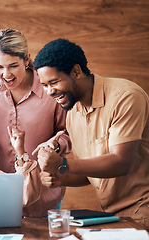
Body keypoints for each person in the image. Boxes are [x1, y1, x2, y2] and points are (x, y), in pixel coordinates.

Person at [33, 38, 149, 229]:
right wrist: (59, 178)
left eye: (54, 82)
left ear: (76, 71)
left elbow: (120, 163)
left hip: (142, 210)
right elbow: (90, 172)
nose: (49, 91)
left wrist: (63, 163)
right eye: (44, 85)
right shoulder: (73, 114)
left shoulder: (126, 97)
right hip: (107, 215)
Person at [0, 28, 71, 217]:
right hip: (2, 187)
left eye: (13, 66)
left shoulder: (49, 88)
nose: (6, 74)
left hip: (44, 189)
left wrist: (54, 144)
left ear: (26, 60)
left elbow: (66, 132)